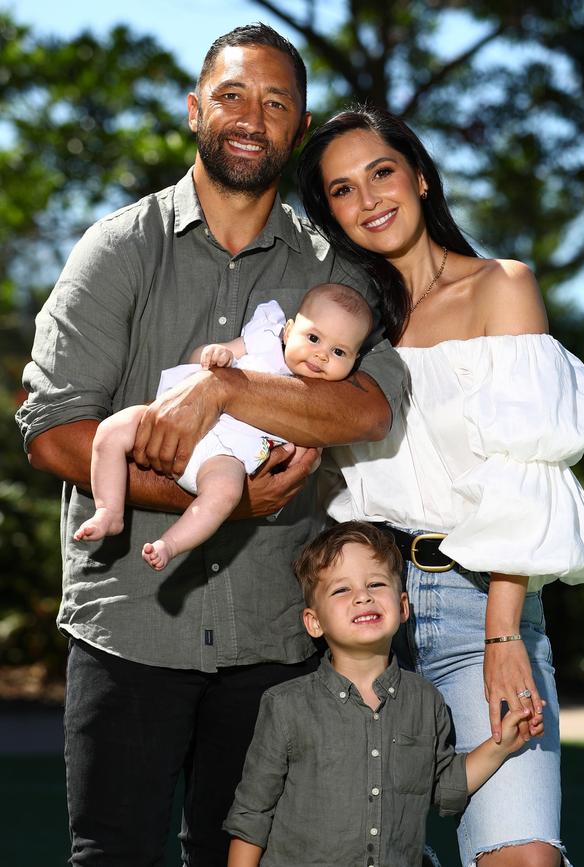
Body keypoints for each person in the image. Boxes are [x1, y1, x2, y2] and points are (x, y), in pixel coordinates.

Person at [15, 27, 405, 866]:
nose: (251, 118)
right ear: (195, 111)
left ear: (297, 130)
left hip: (274, 640)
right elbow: (50, 433)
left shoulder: (330, 269)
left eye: (276, 104)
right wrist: (204, 497)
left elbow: (372, 406)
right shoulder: (118, 247)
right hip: (129, 632)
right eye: (232, 95)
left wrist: (229, 389)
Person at [297, 105, 584, 867]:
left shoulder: (501, 286)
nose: (368, 197)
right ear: (331, 214)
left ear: (421, 177)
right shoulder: (346, 328)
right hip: (361, 612)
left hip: (478, 607)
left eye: (381, 172)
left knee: (520, 854)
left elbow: (526, 470)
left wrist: (506, 632)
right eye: (342, 189)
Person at [224, 521, 542, 867]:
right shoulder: (286, 707)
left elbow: (443, 786)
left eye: (376, 583)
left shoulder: (426, 701)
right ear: (314, 622)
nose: (363, 596)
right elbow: (252, 816)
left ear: (403, 606)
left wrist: (502, 745)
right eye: (341, 590)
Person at [73, 285, 373, 571]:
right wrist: (217, 355)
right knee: (112, 429)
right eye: (314, 338)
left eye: (339, 352)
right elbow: (198, 360)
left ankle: (170, 544)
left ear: (354, 360)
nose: (322, 355)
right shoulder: (263, 341)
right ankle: (109, 511)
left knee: (224, 494)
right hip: (172, 423)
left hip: (225, 456)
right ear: (289, 329)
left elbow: (309, 454)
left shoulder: (326, 399)